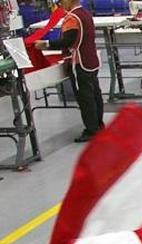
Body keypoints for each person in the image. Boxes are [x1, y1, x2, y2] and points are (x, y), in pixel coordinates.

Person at [35, 0, 103, 143]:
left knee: (85, 98)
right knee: (95, 94)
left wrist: (45, 44)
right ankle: (99, 125)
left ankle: (91, 130)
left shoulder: (72, 18)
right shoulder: (85, 14)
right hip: (91, 60)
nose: (60, 4)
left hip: (80, 62)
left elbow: (68, 41)